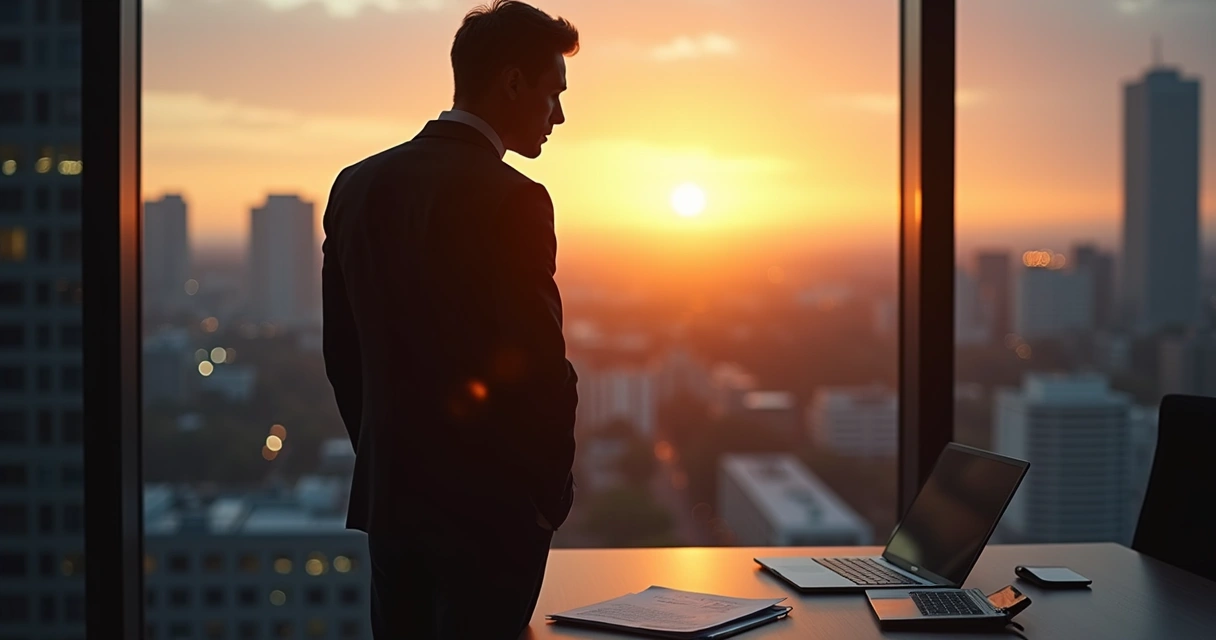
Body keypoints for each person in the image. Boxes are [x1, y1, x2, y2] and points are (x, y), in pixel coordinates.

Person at [320, 2, 580, 638]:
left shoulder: (356, 186)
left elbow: (342, 355)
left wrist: (390, 458)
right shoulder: (513, 199)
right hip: (492, 516)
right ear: (512, 82)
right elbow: (541, 367)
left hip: (393, 507)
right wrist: (546, 501)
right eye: (554, 93)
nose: (561, 115)